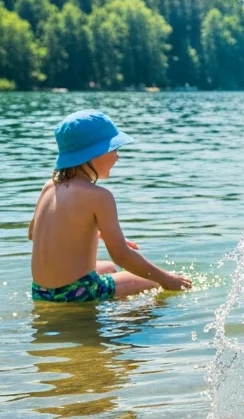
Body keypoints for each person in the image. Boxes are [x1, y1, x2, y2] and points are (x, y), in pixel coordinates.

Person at [29, 110, 192, 302]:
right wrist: (167, 279)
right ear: (94, 154)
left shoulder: (50, 186)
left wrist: (94, 233)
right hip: (78, 292)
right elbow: (121, 255)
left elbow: (34, 233)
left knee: (108, 268)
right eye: (113, 149)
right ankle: (129, 323)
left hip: (40, 290)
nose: (117, 157)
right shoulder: (99, 196)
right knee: (156, 283)